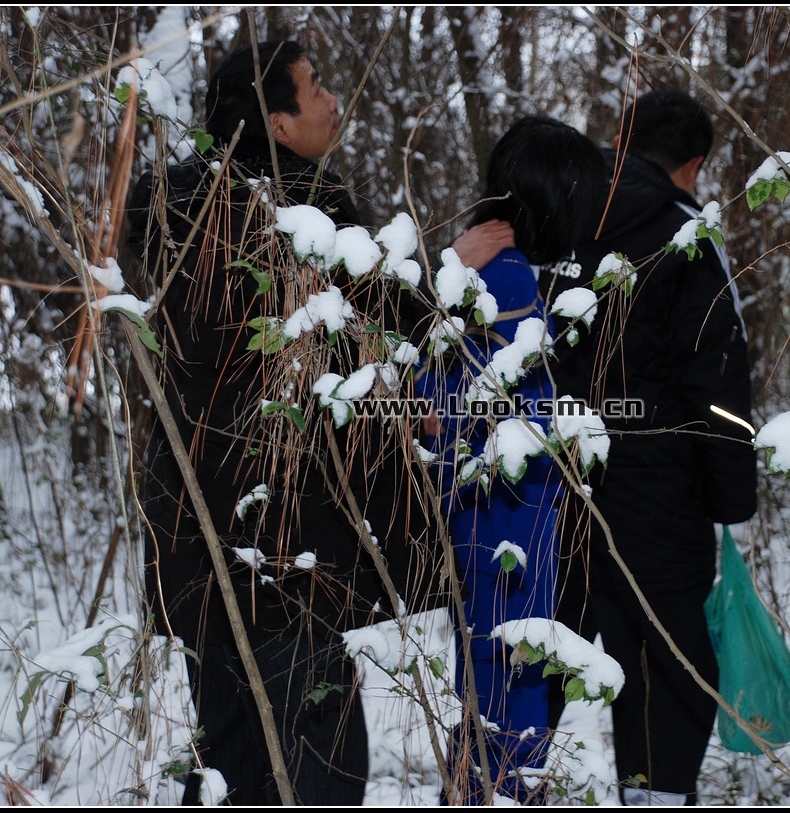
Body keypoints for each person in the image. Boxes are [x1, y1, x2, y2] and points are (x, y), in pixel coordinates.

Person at [127, 41, 508, 805]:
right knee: (325, 765)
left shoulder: (179, 218)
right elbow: (382, 317)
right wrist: (451, 267)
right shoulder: (304, 213)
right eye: (315, 88)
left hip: (198, 540)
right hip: (287, 543)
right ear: (277, 121)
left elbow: (314, 351)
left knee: (238, 758)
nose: (332, 99)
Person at [540, 90, 758, 805]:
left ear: (616, 136)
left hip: (544, 482)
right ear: (693, 167)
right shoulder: (686, 235)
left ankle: (490, 782)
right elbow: (718, 377)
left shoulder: (548, 206)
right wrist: (731, 497)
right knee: (669, 670)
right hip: (657, 495)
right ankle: (649, 795)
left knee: (532, 652)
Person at [415, 116, 605, 804]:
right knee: (514, 679)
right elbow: (496, 406)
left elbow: (436, 394)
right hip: (510, 516)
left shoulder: (483, 265)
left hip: (479, 510)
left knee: (490, 677)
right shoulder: (513, 274)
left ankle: (482, 791)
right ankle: (498, 794)